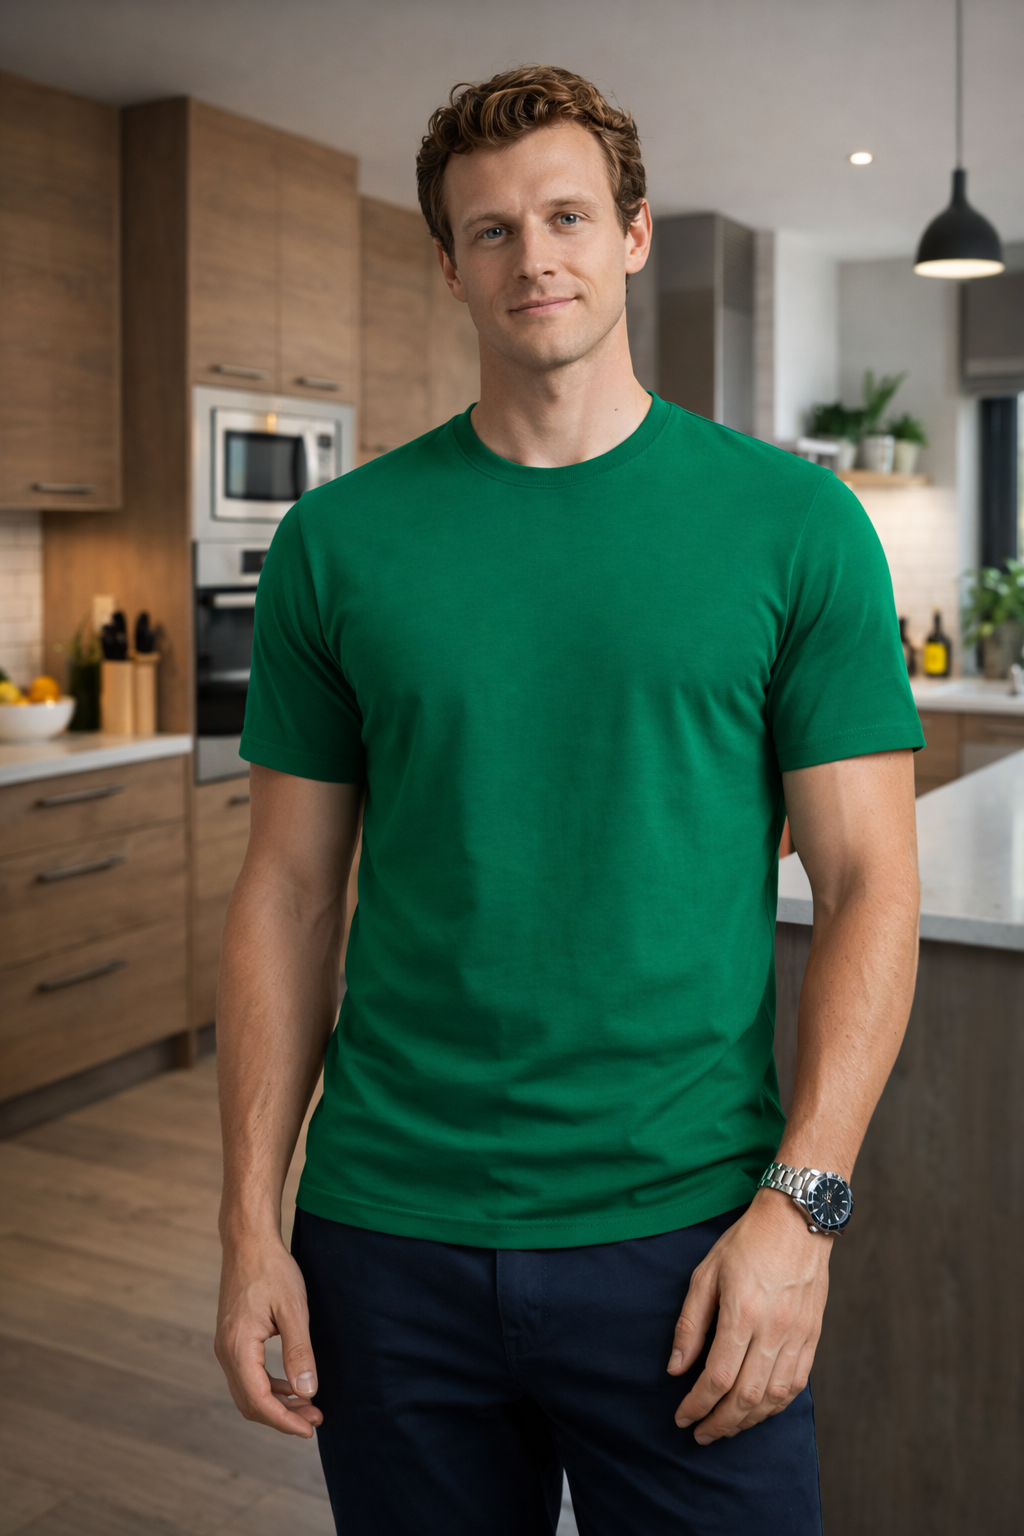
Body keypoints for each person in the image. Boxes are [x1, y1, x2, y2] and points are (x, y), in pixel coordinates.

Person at [214, 64, 923, 1536]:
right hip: (385, 1237)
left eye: (566, 216)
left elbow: (868, 886)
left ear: (634, 234)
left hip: (688, 1240)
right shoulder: (337, 546)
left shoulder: (796, 526)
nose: (532, 256)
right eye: (490, 230)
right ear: (447, 264)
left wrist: (804, 1211)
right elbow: (286, 890)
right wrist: (244, 1220)